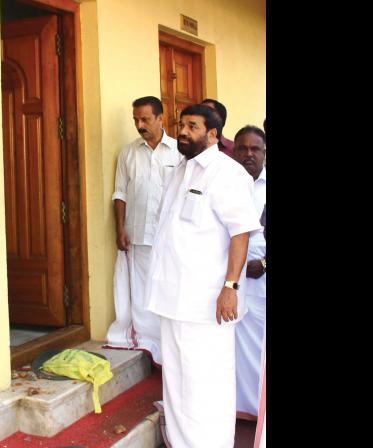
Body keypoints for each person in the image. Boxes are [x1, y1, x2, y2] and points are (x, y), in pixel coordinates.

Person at [144, 104, 261, 447]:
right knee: (177, 382)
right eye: (181, 124)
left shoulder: (227, 173)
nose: (183, 131)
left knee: (206, 382)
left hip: (207, 302)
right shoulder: (179, 170)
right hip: (172, 298)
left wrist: (230, 287)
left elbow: (241, 233)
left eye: (192, 126)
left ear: (212, 134)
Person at [106, 96, 181, 367]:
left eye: (146, 119)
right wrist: (120, 227)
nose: (140, 124)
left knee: (165, 289)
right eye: (136, 120)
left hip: (168, 238)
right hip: (135, 234)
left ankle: (167, 346)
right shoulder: (128, 152)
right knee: (140, 291)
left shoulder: (178, 151)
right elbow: (120, 192)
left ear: (161, 118)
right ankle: (147, 345)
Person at [231, 126, 267, 421]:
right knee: (234, 347)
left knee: (260, 347)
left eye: (255, 149)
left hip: (262, 277)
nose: (248, 154)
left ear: (265, 154)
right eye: (242, 149)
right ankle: (240, 407)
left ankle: (260, 410)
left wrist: (265, 263)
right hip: (232, 281)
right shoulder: (226, 184)